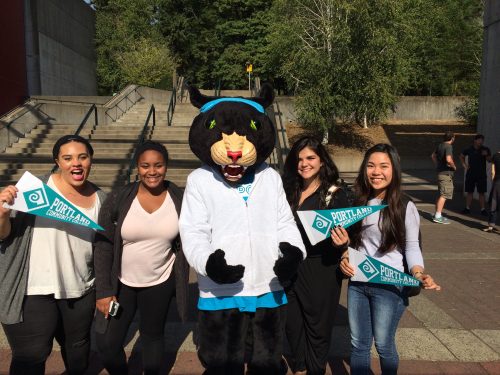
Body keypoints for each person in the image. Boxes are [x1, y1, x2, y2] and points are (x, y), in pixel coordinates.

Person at [0, 135, 105, 375]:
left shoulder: (101, 198)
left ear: (90, 160)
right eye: (67, 158)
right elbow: (3, 236)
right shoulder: (34, 190)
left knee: (78, 353)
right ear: (57, 161)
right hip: (33, 290)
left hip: (80, 290)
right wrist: (3, 214)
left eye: (82, 157)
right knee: (31, 357)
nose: (75, 163)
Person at [340, 143, 441, 375]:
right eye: (371, 166)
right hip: (358, 283)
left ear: (394, 169)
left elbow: (412, 247)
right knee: (358, 346)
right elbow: (353, 242)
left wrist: (418, 273)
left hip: (389, 284)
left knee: (384, 345)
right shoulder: (358, 201)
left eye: (383, 166)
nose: (376, 172)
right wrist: (344, 257)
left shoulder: (404, 205)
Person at [93, 140, 189, 375]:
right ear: (137, 167)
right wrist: (104, 291)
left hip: (160, 282)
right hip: (121, 284)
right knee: (107, 342)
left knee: (152, 336)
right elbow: (103, 245)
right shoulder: (119, 198)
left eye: (158, 165)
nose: (152, 171)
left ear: (166, 166)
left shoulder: (180, 198)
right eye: (145, 166)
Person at [282, 135, 351, 375]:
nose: (304, 163)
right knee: (292, 325)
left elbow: (349, 232)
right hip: (290, 267)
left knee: (317, 328)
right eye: (299, 159)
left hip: (321, 268)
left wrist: (344, 243)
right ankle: (300, 367)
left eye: (310, 158)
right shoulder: (288, 190)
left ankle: (315, 369)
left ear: (322, 161)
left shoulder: (335, 193)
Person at [460, 134, 491, 216]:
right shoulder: (469, 149)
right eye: (479, 140)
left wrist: (486, 155)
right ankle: (467, 208)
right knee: (470, 191)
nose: (481, 142)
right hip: (471, 174)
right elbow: (461, 156)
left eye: (482, 140)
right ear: (475, 140)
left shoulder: (485, 149)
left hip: (481, 174)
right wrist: (464, 165)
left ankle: (483, 209)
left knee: (481, 192)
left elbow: (489, 160)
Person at [431, 131, 457, 224]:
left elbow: (433, 156)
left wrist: (437, 165)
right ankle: (438, 216)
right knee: (444, 195)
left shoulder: (440, 145)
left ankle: (437, 214)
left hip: (440, 173)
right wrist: (454, 166)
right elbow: (448, 159)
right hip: (446, 174)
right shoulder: (448, 146)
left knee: (440, 194)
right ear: (452, 138)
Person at [483, 149, 500, 232]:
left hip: (497, 183)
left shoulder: (496, 156)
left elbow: (493, 172)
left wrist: (493, 181)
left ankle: (491, 225)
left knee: (494, 203)